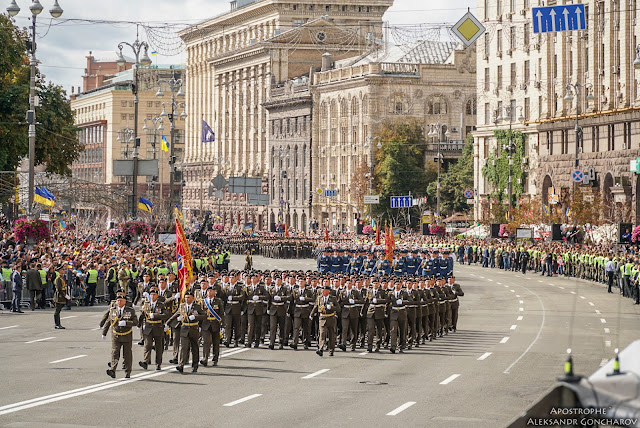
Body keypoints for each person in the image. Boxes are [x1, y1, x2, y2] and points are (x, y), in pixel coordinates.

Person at [166, 290, 205, 373]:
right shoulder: (182, 306)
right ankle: (181, 364)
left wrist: (196, 317)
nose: (187, 299)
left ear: (193, 298)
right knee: (184, 347)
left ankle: (195, 365)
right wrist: (167, 323)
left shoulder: (197, 306)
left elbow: (204, 315)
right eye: (186, 297)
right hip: (184, 329)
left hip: (194, 329)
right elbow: (176, 314)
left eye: (189, 297)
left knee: (194, 348)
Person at [102, 294, 138, 379]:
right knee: (115, 353)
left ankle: (128, 372)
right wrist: (104, 332)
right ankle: (112, 370)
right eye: (118, 300)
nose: (119, 302)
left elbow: (136, 322)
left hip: (126, 335)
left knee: (127, 355)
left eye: (121, 300)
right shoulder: (113, 310)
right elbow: (109, 321)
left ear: (125, 301)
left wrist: (127, 323)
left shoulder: (130, 310)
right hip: (116, 335)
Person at [138, 287, 168, 371]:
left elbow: (166, 314)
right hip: (148, 327)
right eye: (151, 294)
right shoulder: (146, 303)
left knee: (159, 346)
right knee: (147, 345)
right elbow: (143, 314)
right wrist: (139, 324)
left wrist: (155, 315)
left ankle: (158, 363)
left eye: (154, 294)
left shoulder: (161, 304)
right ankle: (145, 362)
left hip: (158, 327)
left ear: (157, 295)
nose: (152, 296)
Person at [311, 285, 340, 357]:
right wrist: (311, 314)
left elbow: (338, 308)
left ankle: (331, 350)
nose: (322, 292)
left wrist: (332, 307)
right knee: (322, 334)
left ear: (328, 291)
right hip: (322, 318)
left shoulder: (333, 298)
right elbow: (316, 306)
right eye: (322, 290)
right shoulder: (319, 298)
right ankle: (321, 349)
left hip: (331, 318)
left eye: (324, 291)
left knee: (331, 335)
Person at [200, 286, 223, 366]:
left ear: (214, 292)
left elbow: (221, 313)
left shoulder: (218, 301)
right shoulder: (203, 301)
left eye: (211, 291)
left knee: (215, 342)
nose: (209, 292)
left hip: (215, 323)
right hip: (205, 324)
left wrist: (222, 325)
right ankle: (205, 358)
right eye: (208, 291)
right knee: (206, 342)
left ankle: (215, 358)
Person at [53, 265, 69, 329]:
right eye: (62, 270)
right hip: (59, 295)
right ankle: (57, 324)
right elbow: (59, 288)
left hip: (62, 294)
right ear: (60, 271)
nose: (64, 271)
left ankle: (58, 324)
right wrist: (64, 295)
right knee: (57, 311)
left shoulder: (62, 278)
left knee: (59, 311)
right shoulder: (58, 278)